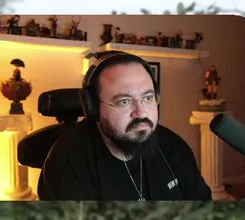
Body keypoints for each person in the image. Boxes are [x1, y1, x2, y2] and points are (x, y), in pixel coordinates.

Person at [39, 52, 212, 201]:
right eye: (124, 101)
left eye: (148, 98)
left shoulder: (173, 146)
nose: (141, 113)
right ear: (93, 108)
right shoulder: (67, 163)